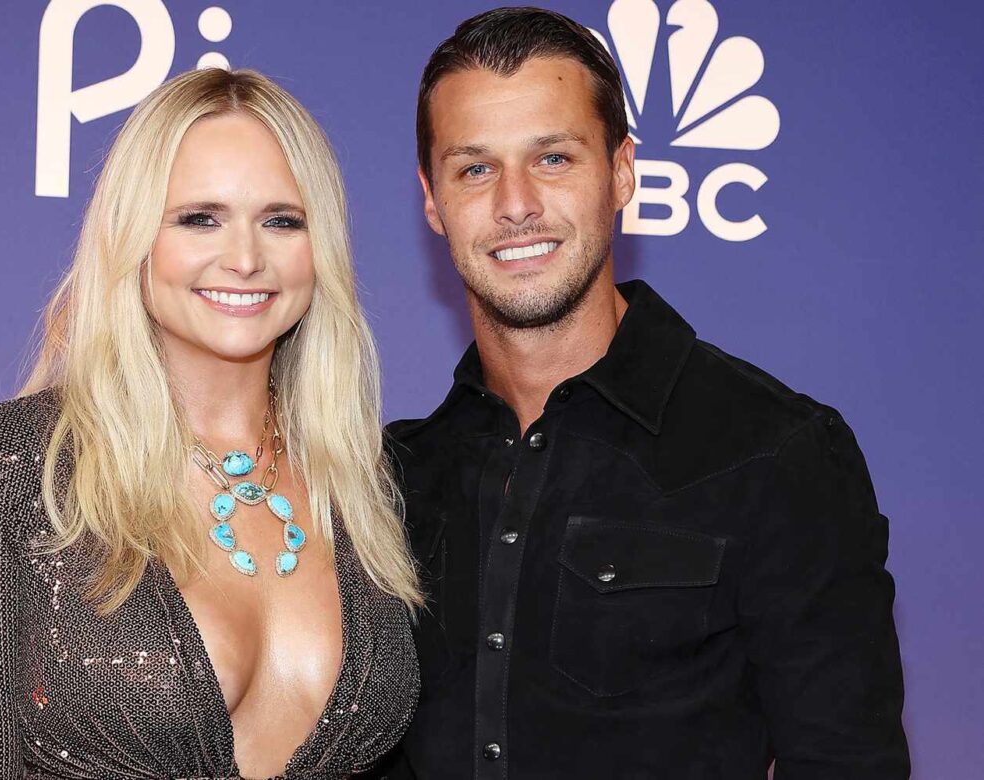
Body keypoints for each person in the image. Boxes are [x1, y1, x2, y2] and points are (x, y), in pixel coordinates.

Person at [385, 7, 909, 779]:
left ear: (622, 171)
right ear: (432, 201)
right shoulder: (392, 479)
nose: (516, 203)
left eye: (553, 158)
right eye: (475, 169)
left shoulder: (775, 454)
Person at [0, 68, 421, 780]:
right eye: (200, 218)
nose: (245, 259)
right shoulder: (1, 467)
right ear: (134, 236)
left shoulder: (363, 481)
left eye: (281, 220)